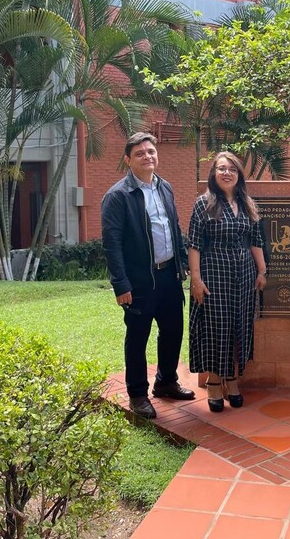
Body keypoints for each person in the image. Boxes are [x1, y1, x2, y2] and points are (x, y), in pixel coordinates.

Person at [101, 132, 195, 420]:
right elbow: (112, 243)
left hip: (169, 276)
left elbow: (173, 225)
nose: (147, 156)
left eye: (151, 151)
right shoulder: (118, 196)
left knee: (173, 331)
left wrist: (182, 260)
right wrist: (121, 284)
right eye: (140, 153)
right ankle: (138, 394)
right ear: (128, 160)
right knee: (138, 337)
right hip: (139, 280)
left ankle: (166, 382)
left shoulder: (164, 187)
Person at [187, 152, 267, 413]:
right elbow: (194, 244)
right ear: (214, 173)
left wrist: (262, 271)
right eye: (221, 168)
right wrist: (196, 279)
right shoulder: (204, 203)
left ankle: (232, 378)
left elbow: (256, 240)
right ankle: (213, 381)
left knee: (239, 325)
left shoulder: (247, 203)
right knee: (216, 326)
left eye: (232, 169)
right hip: (214, 272)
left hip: (243, 274)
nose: (227, 173)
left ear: (239, 174)